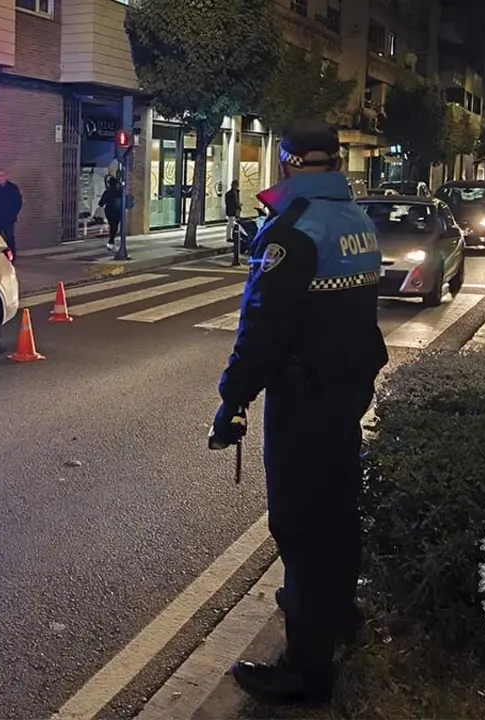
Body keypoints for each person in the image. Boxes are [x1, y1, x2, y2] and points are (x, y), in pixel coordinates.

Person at [208, 119, 389, 706]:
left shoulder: (292, 231)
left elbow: (260, 329)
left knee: (299, 525)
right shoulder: (357, 219)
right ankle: (338, 616)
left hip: (304, 399)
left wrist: (232, 401)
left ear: (286, 163)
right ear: (334, 160)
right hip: (347, 393)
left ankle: (306, 671)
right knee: (338, 510)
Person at [0, 170, 23, 253]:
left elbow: (18, 203)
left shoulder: (13, 188)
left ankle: (11, 256)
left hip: (8, 219)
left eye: (1, 176)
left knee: (9, 238)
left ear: (6, 177)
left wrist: (12, 214)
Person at [99, 175, 124, 252]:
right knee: (114, 227)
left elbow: (101, 203)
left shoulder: (107, 192)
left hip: (109, 211)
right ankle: (111, 242)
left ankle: (111, 242)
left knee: (112, 227)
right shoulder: (119, 192)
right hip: (116, 211)